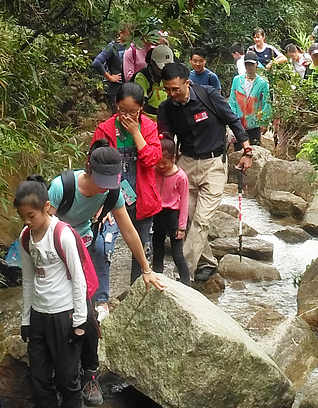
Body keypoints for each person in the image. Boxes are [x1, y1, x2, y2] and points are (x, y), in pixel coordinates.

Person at [47, 144, 164, 405]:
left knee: (86, 315)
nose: (105, 188)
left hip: (83, 247)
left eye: (111, 183)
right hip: (54, 251)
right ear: (89, 168)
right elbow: (39, 227)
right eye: (102, 182)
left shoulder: (113, 193)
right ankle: (55, 373)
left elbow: (129, 230)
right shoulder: (61, 188)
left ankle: (90, 374)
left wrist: (147, 269)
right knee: (54, 315)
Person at [13, 176, 91, 408]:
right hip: (39, 316)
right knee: (40, 376)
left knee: (69, 376)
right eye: (23, 217)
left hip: (64, 314)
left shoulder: (63, 235)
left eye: (31, 216)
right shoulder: (25, 238)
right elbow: (28, 280)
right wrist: (25, 319)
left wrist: (80, 320)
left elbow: (78, 278)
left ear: (47, 207)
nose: (27, 221)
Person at [156, 62, 252, 282]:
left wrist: (247, 151)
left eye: (176, 89)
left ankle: (184, 276)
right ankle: (208, 262)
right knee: (186, 219)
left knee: (201, 221)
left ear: (187, 83)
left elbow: (232, 120)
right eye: (167, 89)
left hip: (214, 165)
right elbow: (165, 138)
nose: (172, 94)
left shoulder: (209, 96)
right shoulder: (166, 108)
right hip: (185, 165)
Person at [91, 82, 163, 281]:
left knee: (142, 251)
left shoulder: (148, 128)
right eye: (123, 110)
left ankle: (137, 295)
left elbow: (152, 159)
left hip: (142, 199)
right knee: (103, 245)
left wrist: (135, 133)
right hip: (111, 197)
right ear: (116, 104)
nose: (127, 116)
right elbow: (94, 165)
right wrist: (99, 203)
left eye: (133, 111)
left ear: (141, 108)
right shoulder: (105, 129)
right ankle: (102, 299)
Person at [152, 136, 191, 282]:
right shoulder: (154, 171)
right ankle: (158, 279)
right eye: (158, 163)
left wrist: (182, 226)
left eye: (164, 163)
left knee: (177, 254)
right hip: (158, 213)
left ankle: (187, 284)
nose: (161, 166)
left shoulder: (180, 176)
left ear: (173, 158)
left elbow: (185, 202)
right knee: (158, 251)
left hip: (173, 214)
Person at [229, 51, 273, 145]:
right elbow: (232, 101)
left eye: (251, 64)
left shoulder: (263, 84)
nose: (249, 67)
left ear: (256, 65)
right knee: (237, 153)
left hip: (254, 124)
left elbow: (266, 103)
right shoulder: (237, 80)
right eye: (247, 64)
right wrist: (232, 119)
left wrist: (264, 122)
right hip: (238, 123)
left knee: (254, 151)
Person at [91, 21, 134, 109]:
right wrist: (109, 77)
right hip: (116, 90)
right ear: (121, 33)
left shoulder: (133, 47)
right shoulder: (113, 46)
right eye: (129, 34)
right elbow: (97, 63)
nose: (131, 37)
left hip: (130, 90)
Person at [133, 41, 173, 121]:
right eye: (161, 68)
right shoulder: (142, 77)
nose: (163, 71)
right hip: (147, 120)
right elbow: (141, 104)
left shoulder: (169, 75)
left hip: (165, 119)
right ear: (152, 62)